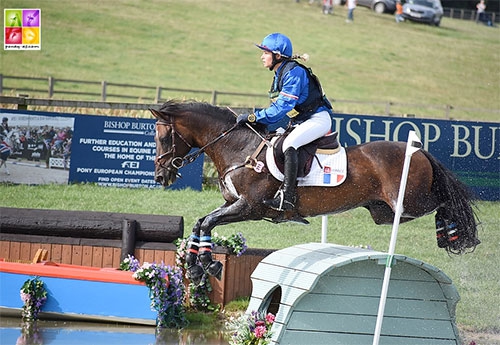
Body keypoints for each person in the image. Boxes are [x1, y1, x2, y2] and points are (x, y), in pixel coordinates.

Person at [237, 33, 333, 211]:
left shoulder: (293, 72)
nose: (262, 56)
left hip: (318, 119)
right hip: (302, 120)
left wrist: (254, 117)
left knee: (289, 144)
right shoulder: (281, 72)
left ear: (277, 56)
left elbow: (282, 107)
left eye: (265, 53)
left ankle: (288, 198)